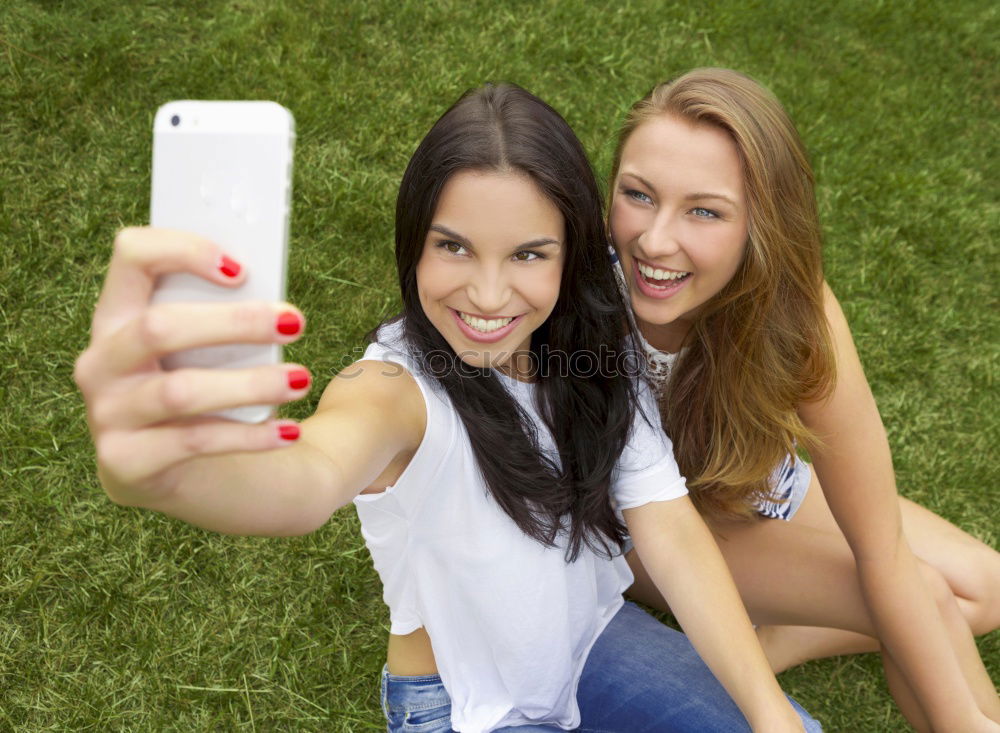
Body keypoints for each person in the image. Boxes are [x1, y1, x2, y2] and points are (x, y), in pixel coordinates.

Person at [74, 83, 820, 732]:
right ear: (415, 245)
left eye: (528, 254)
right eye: (454, 247)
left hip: (589, 640)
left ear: (572, 253)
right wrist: (156, 476)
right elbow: (304, 483)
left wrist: (768, 714)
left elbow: (671, 530)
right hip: (466, 705)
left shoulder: (594, 349)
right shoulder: (393, 392)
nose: (489, 297)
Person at [607, 67, 1000, 733]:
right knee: (926, 599)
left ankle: (771, 641)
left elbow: (883, 549)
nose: (655, 240)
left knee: (986, 587)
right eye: (638, 195)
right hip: (647, 527)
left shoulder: (794, 313)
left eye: (704, 210)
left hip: (755, 487)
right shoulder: (573, 297)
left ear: (761, 221)